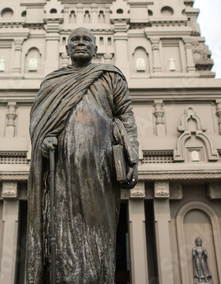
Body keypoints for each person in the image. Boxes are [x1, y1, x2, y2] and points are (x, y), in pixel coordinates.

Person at [26, 27, 138, 284]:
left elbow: (126, 116)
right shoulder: (52, 82)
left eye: (86, 40)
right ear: (65, 49)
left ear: (96, 48)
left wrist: (132, 159)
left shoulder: (110, 77)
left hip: (100, 173)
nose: (80, 43)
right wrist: (44, 143)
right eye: (74, 40)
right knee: (61, 234)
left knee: (99, 235)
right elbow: (38, 125)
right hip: (61, 172)